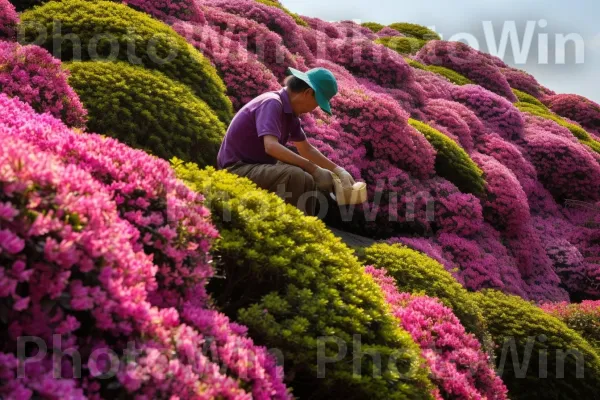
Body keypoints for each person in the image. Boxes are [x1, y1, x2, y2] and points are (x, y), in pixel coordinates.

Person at [216, 66, 356, 216]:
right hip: (235, 169)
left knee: (307, 179)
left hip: (255, 167)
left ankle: (305, 229)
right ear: (307, 93)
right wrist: (314, 169)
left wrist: (338, 171)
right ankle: (289, 226)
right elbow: (271, 147)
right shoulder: (272, 103)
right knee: (295, 175)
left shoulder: (290, 114)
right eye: (317, 103)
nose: (314, 109)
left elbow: (306, 149)